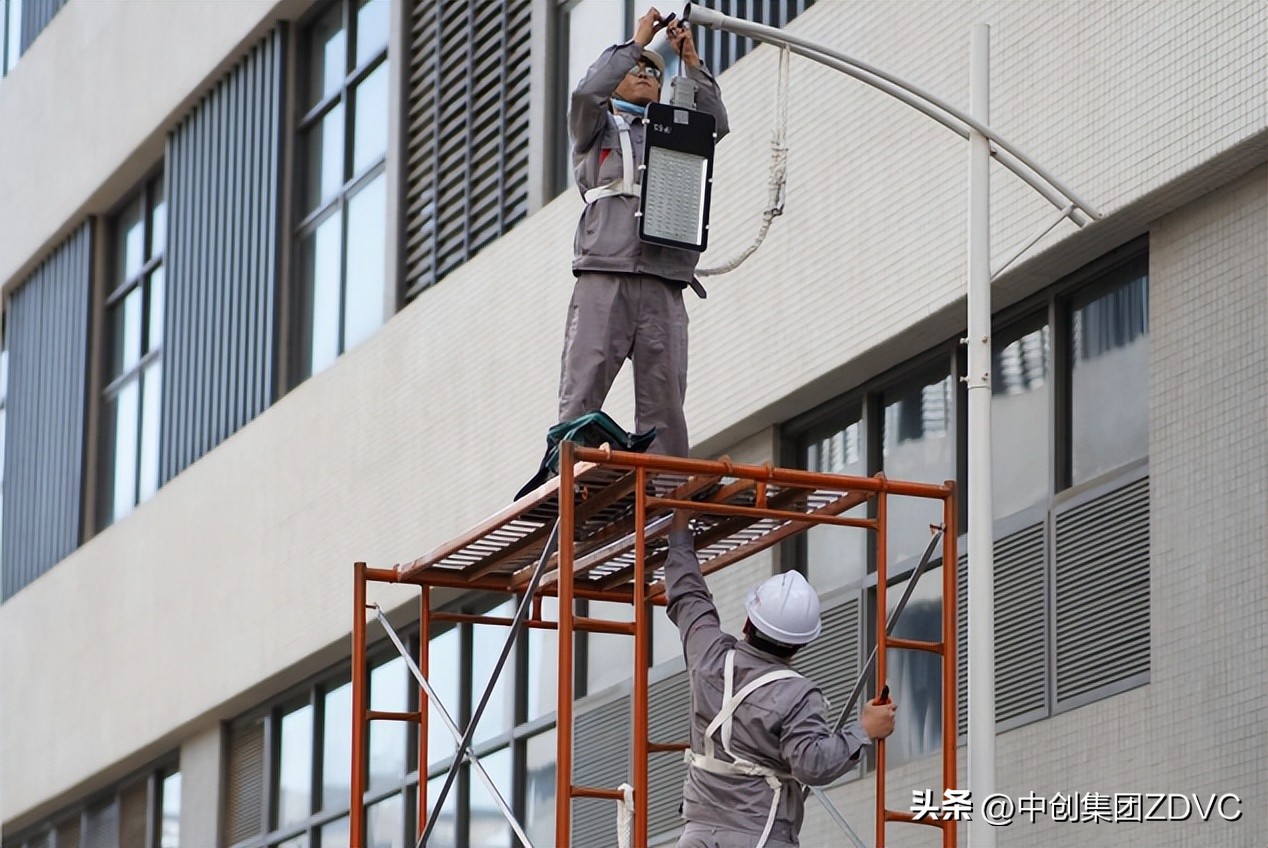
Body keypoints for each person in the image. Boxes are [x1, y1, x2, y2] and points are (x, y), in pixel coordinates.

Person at [664, 511, 898, 848]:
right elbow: (812, 765)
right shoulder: (798, 695)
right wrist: (864, 731)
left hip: (697, 836)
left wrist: (680, 533)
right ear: (802, 643)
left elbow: (688, 596)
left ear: (748, 621)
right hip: (761, 837)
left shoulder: (707, 655)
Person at [559, 7, 730, 458]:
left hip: (662, 277)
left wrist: (689, 60)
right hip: (605, 269)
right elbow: (585, 93)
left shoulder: (672, 128)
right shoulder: (596, 126)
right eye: (634, 68)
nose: (643, 73)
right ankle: (565, 481)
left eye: (652, 71)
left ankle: (668, 504)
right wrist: (637, 42)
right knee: (583, 385)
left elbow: (716, 125)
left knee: (665, 404)